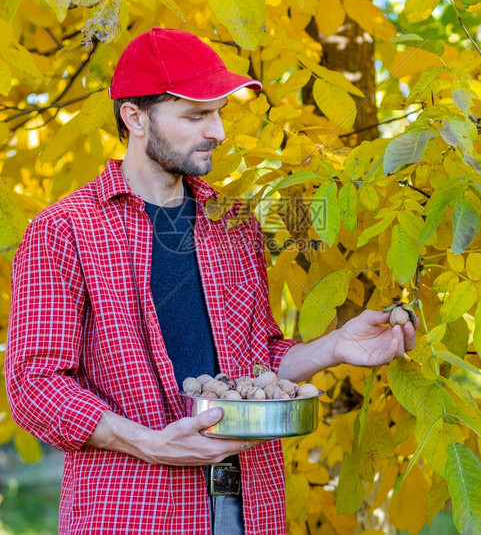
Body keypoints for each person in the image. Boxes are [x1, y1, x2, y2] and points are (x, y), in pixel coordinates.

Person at [5, 28, 417, 535]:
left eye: (219, 112)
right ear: (135, 117)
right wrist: (150, 442)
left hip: (251, 505)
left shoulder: (233, 221)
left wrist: (337, 345)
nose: (217, 131)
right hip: (133, 508)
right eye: (196, 115)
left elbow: (256, 362)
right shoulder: (64, 230)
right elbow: (35, 383)